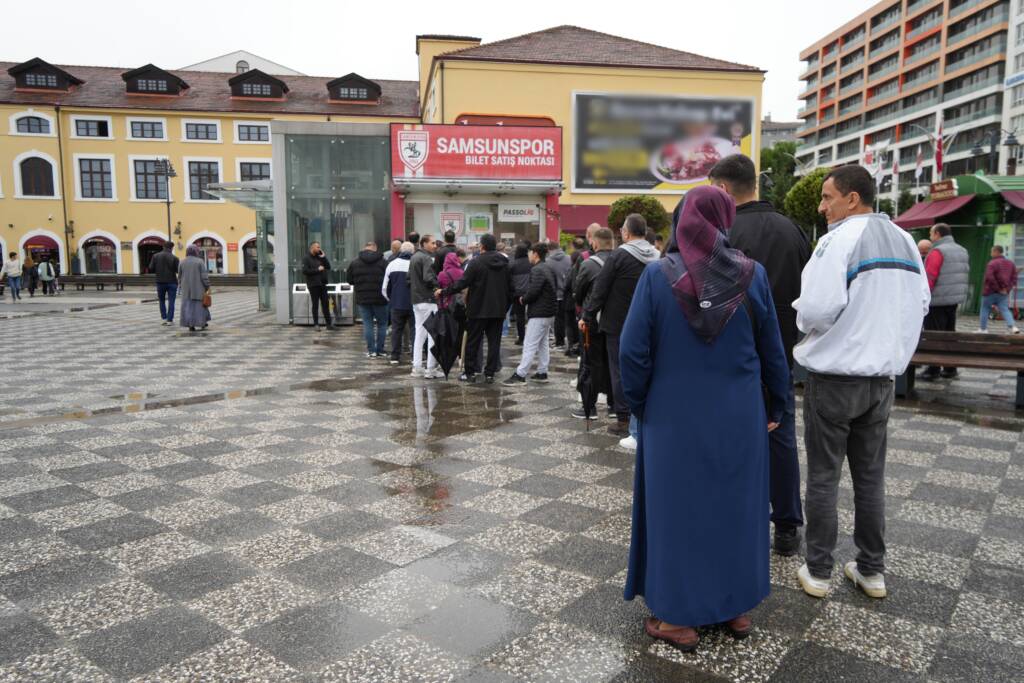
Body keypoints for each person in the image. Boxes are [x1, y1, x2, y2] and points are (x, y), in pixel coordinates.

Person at [621, 185, 790, 652]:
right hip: (739, 414)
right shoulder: (751, 276)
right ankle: (734, 606)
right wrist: (777, 405)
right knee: (736, 508)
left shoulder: (657, 277)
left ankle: (677, 618)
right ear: (724, 220)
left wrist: (641, 405)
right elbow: (772, 350)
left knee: (677, 512)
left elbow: (633, 353)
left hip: (673, 416)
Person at [794, 165, 929, 601]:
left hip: (835, 377)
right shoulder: (907, 240)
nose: (822, 205)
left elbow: (814, 308)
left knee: (823, 477)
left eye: (827, 196)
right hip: (882, 379)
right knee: (871, 479)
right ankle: (872, 571)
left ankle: (818, 572)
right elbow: (920, 303)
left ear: (852, 199)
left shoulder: (838, 240)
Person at [710, 153, 811, 557]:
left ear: (721, 189)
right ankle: (787, 525)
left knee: (724, 438)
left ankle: (732, 520)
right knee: (781, 437)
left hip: (727, 353)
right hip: (781, 350)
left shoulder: (721, 232)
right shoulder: (794, 230)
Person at [582, 214, 660, 436]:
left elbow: (601, 288)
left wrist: (587, 316)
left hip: (618, 322)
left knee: (619, 369)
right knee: (649, 366)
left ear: (626, 233)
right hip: (650, 322)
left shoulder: (619, 256)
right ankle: (646, 414)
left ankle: (624, 418)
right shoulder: (657, 255)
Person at [440, 233, 513, 384]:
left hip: (478, 309)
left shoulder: (476, 262)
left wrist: (444, 291)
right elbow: (511, 288)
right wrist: (505, 307)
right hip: (498, 310)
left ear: (483, 246)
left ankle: (470, 373)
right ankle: (490, 373)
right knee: (494, 343)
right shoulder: (505, 262)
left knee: (473, 341)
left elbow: (463, 283)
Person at [571, 227, 615, 420]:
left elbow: (578, 293)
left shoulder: (588, 265)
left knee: (590, 363)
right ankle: (615, 406)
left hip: (592, 321)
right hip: (616, 321)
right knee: (614, 363)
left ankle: (590, 407)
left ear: (594, 243)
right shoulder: (622, 263)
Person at [503, 242, 558, 385]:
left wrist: (523, 299)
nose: (529, 256)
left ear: (536, 254)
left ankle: (520, 374)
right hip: (549, 311)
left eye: (530, 253)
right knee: (542, 343)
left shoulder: (537, 270)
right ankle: (542, 371)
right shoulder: (548, 268)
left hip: (540, 311)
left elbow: (534, 290)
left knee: (529, 343)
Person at [920, 223, 969, 380]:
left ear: (938, 234)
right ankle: (950, 368)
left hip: (937, 300)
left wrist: (923, 296)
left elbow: (930, 276)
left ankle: (933, 369)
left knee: (934, 335)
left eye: (931, 233)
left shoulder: (937, 251)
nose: (930, 236)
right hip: (953, 300)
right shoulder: (962, 250)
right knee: (949, 333)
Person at [347, 241, 389, 358]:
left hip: (362, 298)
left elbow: (349, 280)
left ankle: (371, 350)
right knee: (382, 324)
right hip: (380, 298)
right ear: (375, 249)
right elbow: (389, 279)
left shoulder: (355, 263)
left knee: (368, 324)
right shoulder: (383, 262)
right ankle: (380, 350)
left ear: (365, 248)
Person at [409, 234, 442, 379]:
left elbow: (408, 278)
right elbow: (428, 277)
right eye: (432, 243)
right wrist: (437, 287)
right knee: (432, 336)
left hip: (417, 300)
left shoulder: (414, 257)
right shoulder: (426, 258)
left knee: (420, 334)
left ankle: (417, 367)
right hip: (428, 300)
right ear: (424, 244)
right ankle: (430, 369)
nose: (435, 245)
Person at [383, 241, 415, 365]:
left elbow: (385, 288)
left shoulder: (392, 264)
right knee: (415, 330)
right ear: (413, 252)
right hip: (414, 303)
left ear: (401, 251)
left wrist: (391, 299)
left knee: (396, 330)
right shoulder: (415, 263)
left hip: (397, 304)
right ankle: (415, 356)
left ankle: (395, 356)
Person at [979, 245, 1019, 334]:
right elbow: (1014, 278)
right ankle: (1013, 327)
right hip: (1003, 293)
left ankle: (983, 329)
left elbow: (989, 277)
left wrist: (997, 288)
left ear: (996, 252)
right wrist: (1007, 289)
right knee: (1005, 309)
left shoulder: (992, 263)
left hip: (990, 291)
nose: (991, 254)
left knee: (985, 308)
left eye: (991, 252)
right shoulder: (1011, 263)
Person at [178, 244, 212, 333]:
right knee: (199, 307)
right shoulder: (200, 261)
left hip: (186, 290)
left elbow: (180, 276)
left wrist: (181, 285)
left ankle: (190, 325)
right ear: (196, 251)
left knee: (188, 308)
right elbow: (204, 276)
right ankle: (202, 323)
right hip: (198, 289)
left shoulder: (182, 261)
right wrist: (207, 286)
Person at [547, 241, 572, 349]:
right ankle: (570, 341)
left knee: (558, 319)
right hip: (568, 293)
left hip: (556, 294)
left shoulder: (548, 261)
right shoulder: (569, 258)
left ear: (549, 250)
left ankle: (559, 342)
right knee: (569, 319)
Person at [301, 242, 332, 330]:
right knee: (315, 304)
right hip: (313, 285)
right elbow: (305, 271)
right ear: (312, 248)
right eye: (318, 247)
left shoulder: (320, 257)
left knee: (325, 303)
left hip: (322, 284)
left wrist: (324, 257)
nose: (319, 249)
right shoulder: (306, 258)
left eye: (319, 247)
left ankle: (329, 324)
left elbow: (328, 267)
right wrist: (317, 270)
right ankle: (316, 324)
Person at [148, 241, 180, 327]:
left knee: (161, 300)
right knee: (171, 301)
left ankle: (164, 318)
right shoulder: (175, 258)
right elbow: (178, 271)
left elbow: (151, 267)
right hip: (172, 282)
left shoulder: (155, 256)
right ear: (172, 248)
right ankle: (170, 320)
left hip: (160, 281)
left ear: (163, 247)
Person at [509, 244, 533, 345]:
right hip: (531, 292)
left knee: (520, 317)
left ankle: (521, 338)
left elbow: (509, 280)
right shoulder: (531, 263)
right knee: (532, 316)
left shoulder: (513, 264)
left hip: (517, 294)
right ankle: (532, 337)